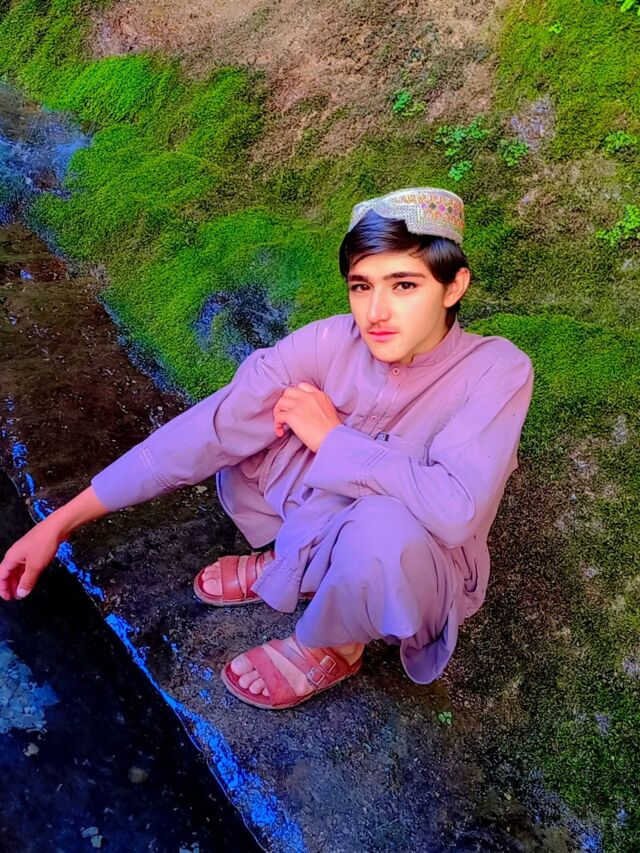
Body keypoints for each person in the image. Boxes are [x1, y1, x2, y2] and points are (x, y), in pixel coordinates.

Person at [0, 187, 534, 711]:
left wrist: (332, 439)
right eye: (361, 286)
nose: (376, 312)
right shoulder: (329, 342)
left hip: (414, 562)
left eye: (404, 285)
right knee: (251, 425)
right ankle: (292, 561)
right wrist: (61, 522)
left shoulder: (497, 369)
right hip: (322, 517)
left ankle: (336, 645)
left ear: (453, 286)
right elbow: (209, 429)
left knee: (381, 528)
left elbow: (456, 509)